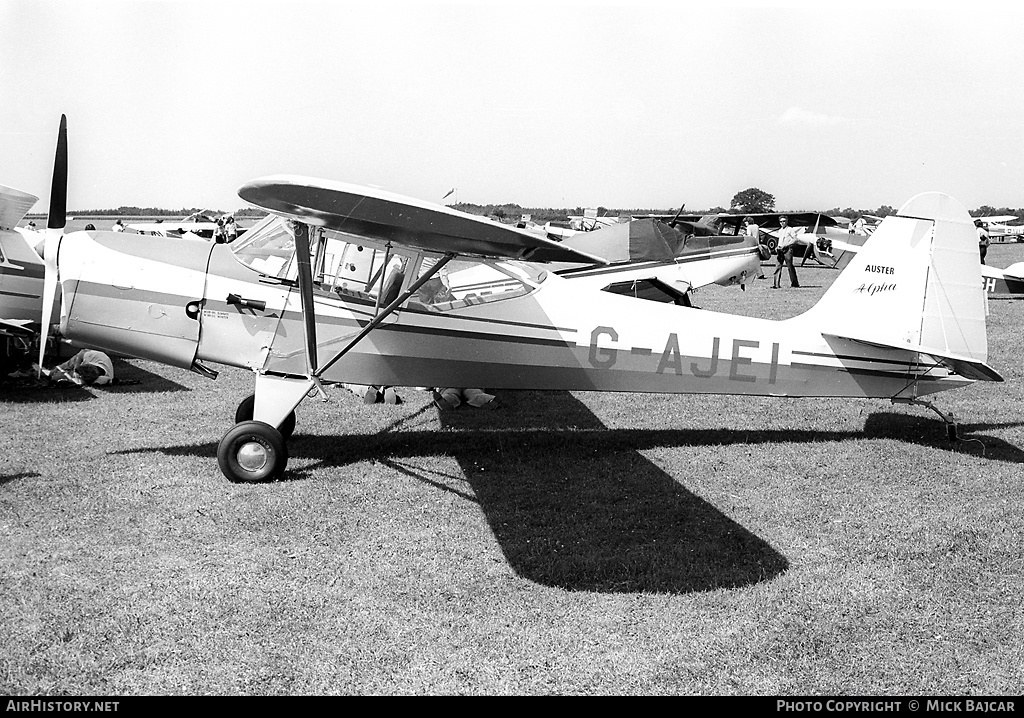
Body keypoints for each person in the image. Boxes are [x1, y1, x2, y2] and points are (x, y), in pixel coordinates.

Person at [47, 348, 114, 386]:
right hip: (86, 355)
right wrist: (76, 367)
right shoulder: (90, 356)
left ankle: (54, 375)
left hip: (94, 363)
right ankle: (49, 373)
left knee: (65, 375)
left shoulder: (108, 376)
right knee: (59, 369)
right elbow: (82, 352)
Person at [772, 215, 800, 289]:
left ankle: (794, 283)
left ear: (787, 221)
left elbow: (795, 239)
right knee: (778, 266)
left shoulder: (790, 229)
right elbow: (779, 241)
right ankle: (776, 285)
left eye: (784, 221)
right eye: (781, 221)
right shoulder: (780, 230)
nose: (782, 223)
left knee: (790, 267)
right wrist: (777, 247)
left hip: (787, 250)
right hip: (780, 250)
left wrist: (786, 245)